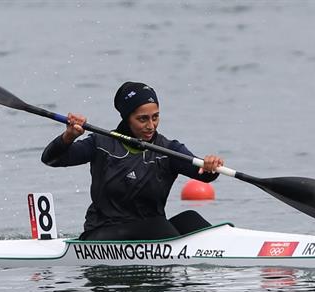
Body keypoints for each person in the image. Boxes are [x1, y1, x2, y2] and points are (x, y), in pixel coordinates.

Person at [41, 81, 224, 240]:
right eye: (142, 119)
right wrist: (68, 136)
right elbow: (51, 159)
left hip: (154, 232)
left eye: (155, 117)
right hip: (102, 233)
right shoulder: (101, 143)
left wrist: (209, 167)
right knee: (156, 225)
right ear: (127, 118)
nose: (151, 125)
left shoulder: (168, 149)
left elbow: (203, 175)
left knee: (191, 219)